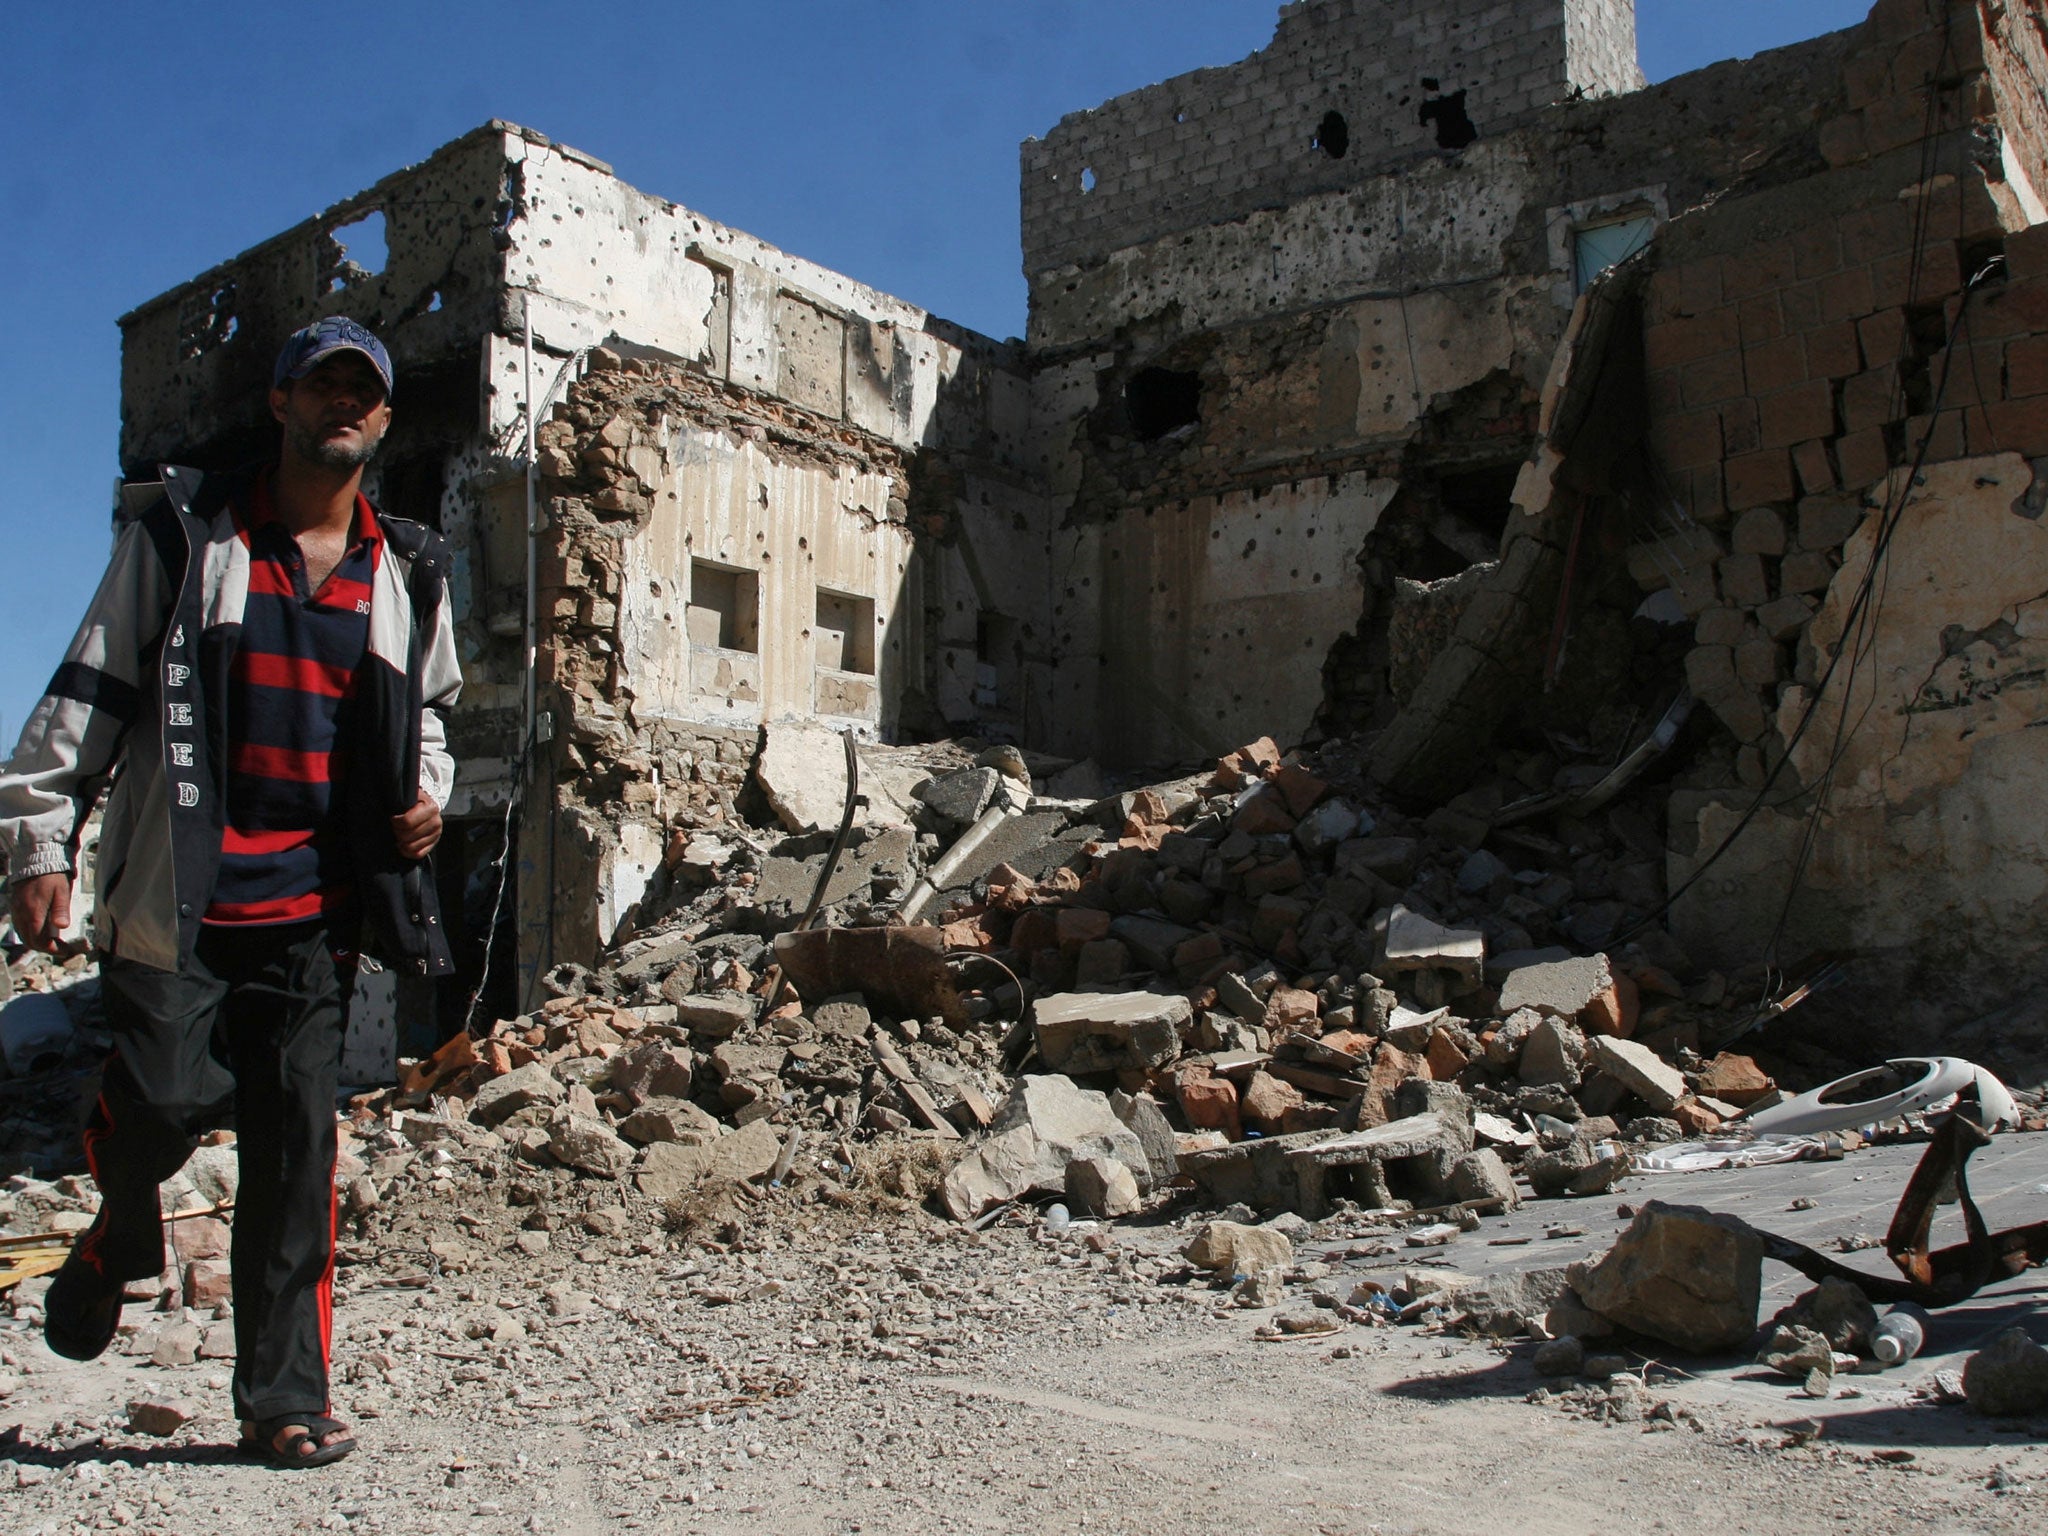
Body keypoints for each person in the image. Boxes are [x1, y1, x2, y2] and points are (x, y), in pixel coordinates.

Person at [0, 316, 461, 1468]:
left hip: (315, 913)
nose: (340, 406)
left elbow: (434, 715)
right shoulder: (190, 533)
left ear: (385, 419)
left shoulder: (406, 567)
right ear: (281, 404)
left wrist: (429, 793)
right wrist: (37, 840)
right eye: (320, 387)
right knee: (156, 1102)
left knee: (297, 1158)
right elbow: (91, 685)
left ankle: (283, 1403)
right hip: (181, 900)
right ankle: (117, 1230)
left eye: (362, 391)